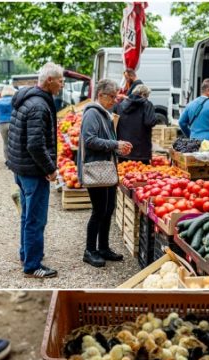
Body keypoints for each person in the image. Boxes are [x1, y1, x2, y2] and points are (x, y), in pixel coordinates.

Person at [6, 62, 64, 279]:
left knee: (27, 216)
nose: (62, 85)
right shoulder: (39, 106)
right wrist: (50, 169)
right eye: (60, 80)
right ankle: (32, 265)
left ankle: (26, 254)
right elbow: (35, 145)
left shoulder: (27, 99)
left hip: (21, 169)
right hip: (32, 171)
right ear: (49, 80)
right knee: (35, 219)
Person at [79, 79, 132, 268]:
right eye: (111, 97)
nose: (114, 100)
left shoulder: (105, 114)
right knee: (99, 210)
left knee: (108, 209)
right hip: (96, 169)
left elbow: (105, 141)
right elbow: (90, 140)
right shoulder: (93, 113)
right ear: (100, 95)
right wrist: (115, 144)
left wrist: (118, 148)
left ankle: (103, 247)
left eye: (115, 97)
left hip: (106, 169)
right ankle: (89, 250)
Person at [179, 78, 209, 151]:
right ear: (208, 91)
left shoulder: (190, 105)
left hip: (194, 145)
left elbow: (181, 122)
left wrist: (191, 135)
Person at [115, 83, 157, 165]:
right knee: (140, 175)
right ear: (143, 94)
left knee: (123, 173)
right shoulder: (147, 104)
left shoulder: (120, 105)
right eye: (147, 96)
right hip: (141, 151)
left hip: (124, 149)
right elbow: (150, 122)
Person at [0, 85, 15, 153]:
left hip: (1, 123)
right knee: (14, 142)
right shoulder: (14, 100)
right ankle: (13, 159)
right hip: (13, 122)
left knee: (5, 142)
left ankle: (7, 159)